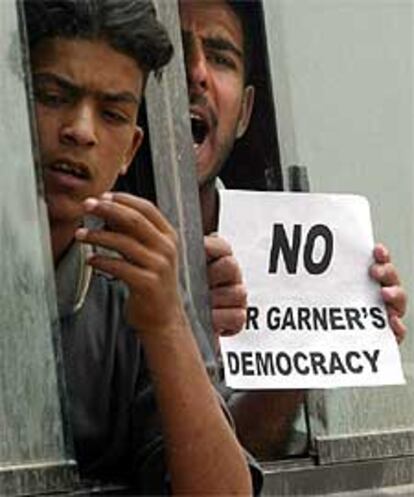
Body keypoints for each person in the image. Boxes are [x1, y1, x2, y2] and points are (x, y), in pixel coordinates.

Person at [24, 0, 261, 494]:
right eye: (51, 96)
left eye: (111, 114)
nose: (80, 131)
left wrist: (166, 323)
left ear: (131, 150)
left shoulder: (134, 280)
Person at [178, 0, 408, 459]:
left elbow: (242, 462)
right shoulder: (82, 241)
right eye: (178, 51)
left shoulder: (276, 252)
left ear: (244, 114)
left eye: (221, 58)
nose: (197, 74)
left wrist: (320, 340)